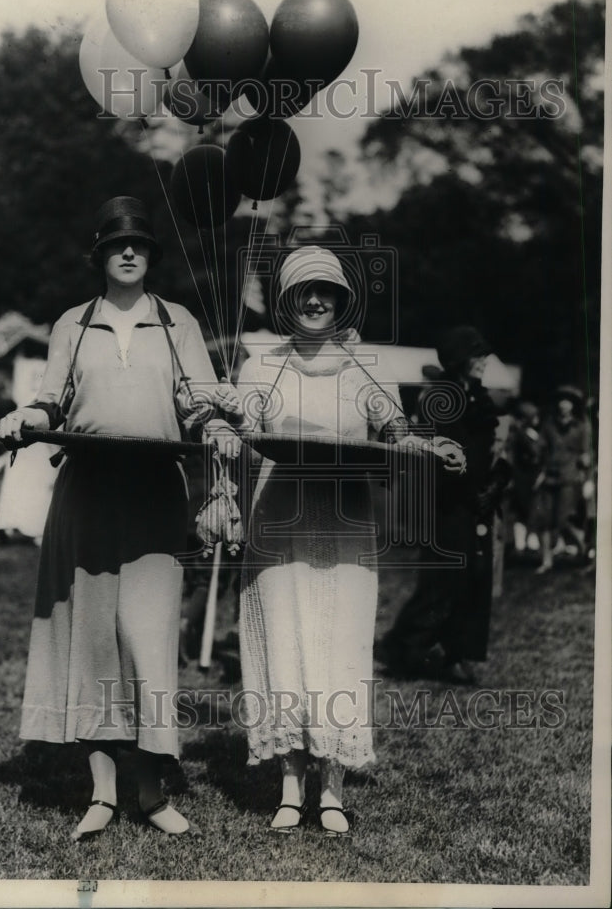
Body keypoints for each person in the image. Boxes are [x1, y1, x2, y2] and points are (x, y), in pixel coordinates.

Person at [0, 196, 238, 840]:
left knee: (148, 639)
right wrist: (26, 419)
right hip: (88, 493)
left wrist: (216, 425)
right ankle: (102, 794)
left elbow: (201, 400)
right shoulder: (71, 324)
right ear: (100, 254)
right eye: (116, 244)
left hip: (157, 494)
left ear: (151, 256)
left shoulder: (177, 321)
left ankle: (151, 793)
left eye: (140, 245)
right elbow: (51, 402)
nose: (128, 253)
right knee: (93, 640)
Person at [232, 246, 464, 836]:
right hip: (276, 522)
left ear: (340, 301)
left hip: (346, 526)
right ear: (286, 301)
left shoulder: (366, 367)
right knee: (284, 644)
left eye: (326, 291)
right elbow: (239, 434)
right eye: (304, 291)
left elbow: (397, 432)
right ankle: (288, 784)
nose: (315, 301)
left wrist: (432, 446)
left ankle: (331, 785)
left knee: (338, 647)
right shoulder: (262, 366)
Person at [378, 325, 510, 686]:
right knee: (444, 581)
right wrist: (471, 489)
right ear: (458, 358)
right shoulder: (440, 397)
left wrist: (497, 482)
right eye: (476, 354)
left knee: (474, 580)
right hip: (446, 503)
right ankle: (404, 647)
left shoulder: (479, 399)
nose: (484, 361)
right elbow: (442, 457)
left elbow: (488, 451)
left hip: (476, 504)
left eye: (485, 354)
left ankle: (456, 653)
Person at [531, 386, 593, 574]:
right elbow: (540, 447)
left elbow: (587, 452)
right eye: (561, 401)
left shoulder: (582, 426)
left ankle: (585, 549)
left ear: (574, 405)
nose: (563, 405)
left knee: (563, 519)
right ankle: (547, 560)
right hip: (550, 475)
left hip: (570, 476)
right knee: (545, 520)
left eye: (568, 401)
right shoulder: (549, 424)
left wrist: (587, 471)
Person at [505, 400, 544, 556]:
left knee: (531, 508)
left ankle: (528, 540)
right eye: (533, 416)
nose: (537, 419)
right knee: (523, 507)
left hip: (532, 474)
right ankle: (522, 541)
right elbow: (533, 453)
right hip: (523, 474)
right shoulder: (521, 434)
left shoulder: (532, 433)